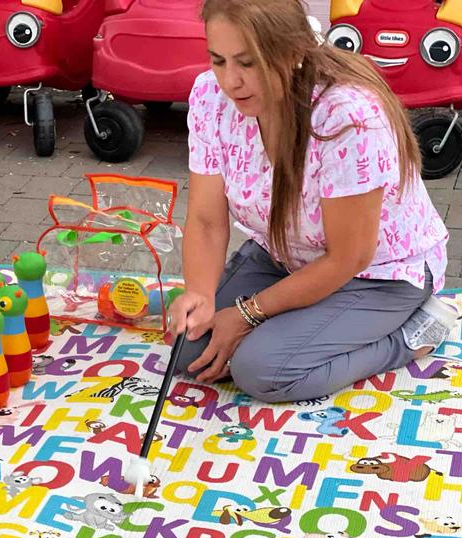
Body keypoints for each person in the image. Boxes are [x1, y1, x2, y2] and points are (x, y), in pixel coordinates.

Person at [166, 0, 455, 403]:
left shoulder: (347, 116)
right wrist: (198, 291)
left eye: (248, 63)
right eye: (219, 60)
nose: (231, 81)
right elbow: (206, 219)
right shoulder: (209, 98)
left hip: (378, 274)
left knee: (262, 370)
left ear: (294, 52)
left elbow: (348, 257)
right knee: (189, 349)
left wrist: (249, 313)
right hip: (285, 256)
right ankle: (292, 323)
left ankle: (413, 334)